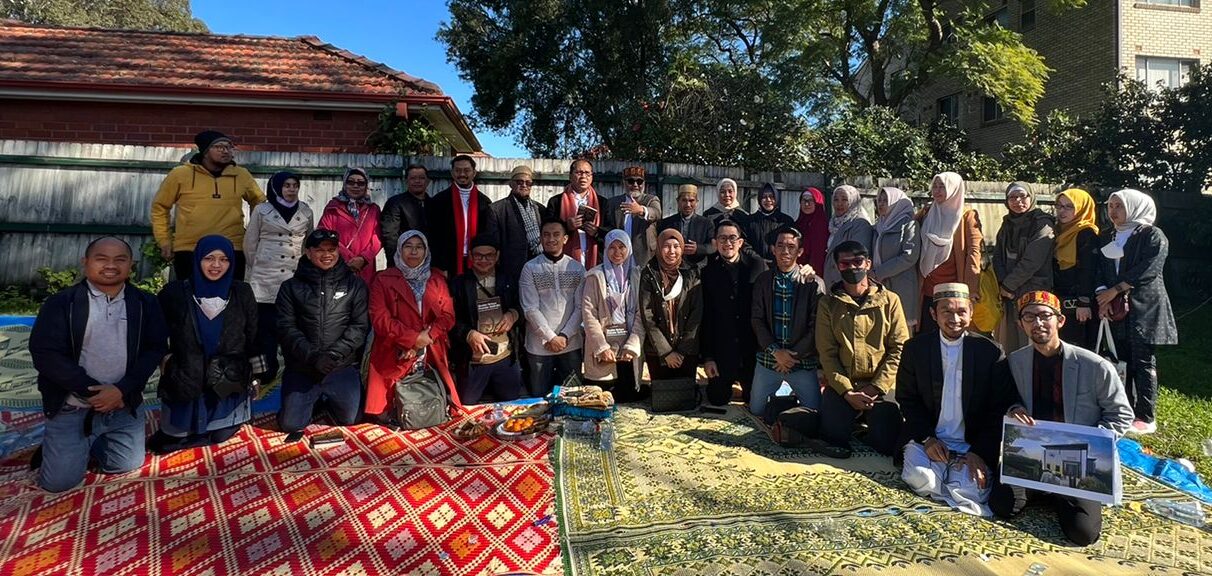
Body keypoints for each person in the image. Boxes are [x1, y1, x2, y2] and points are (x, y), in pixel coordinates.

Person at [989, 291, 1134, 546]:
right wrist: (1014, 408)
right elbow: (1006, 398)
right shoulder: (1015, 361)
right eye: (1029, 317)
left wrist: (1091, 440)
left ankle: (1057, 493)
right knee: (1002, 505)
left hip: (1078, 459)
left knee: (1083, 534)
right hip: (1033, 454)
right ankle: (1047, 490)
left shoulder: (1095, 366)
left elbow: (1121, 415)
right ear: (1020, 323)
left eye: (1045, 316)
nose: (1038, 323)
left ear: (1060, 321)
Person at [29, 237, 168, 492]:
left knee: (125, 464)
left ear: (131, 266)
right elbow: (46, 354)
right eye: (101, 259)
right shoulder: (62, 303)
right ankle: (63, 443)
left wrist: (121, 390)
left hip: (122, 403)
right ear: (86, 263)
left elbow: (155, 348)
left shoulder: (145, 303)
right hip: (74, 406)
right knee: (59, 483)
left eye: (120, 259)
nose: (110, 265)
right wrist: (92, 392)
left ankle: (87, 443)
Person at [897, 283, 1005, 517]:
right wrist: (927, 439)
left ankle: (950, 478)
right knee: (921, 478)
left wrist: (980, 452)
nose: (955, 318)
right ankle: (943, 477)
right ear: (933, 314)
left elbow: (997, 410)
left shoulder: (990, 352)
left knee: (974, 491)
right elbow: (907, 398)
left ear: (971, 312)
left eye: (961, 311)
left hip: (971, 444)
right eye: (946, 311)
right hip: (927, 439)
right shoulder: (916, 349)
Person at [151, 235, 258, 454]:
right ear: (197, 259)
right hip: (185, 377)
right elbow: (153, 333)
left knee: (220, 435)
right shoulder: (175, 293)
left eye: (224, 259)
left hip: (227, 380)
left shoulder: (242, 292)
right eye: (209, 258)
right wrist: (165, 360)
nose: (216, 265)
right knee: (173, 438)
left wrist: (255, 376)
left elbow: (254, 336)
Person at [816, 240, 909, 458]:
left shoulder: (890, 301)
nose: (852, 268)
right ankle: (852, 420)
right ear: (837, 267)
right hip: (845, 384)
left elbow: (899, 348)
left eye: (857, 262)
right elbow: (827, 354)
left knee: (886, 444)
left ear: (867, 264)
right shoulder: (828, 304)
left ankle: (865, 423)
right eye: (845, 264)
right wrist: (847, 391)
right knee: (834, 438)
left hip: (880, 387)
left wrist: (875, 388)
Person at [1095, 189, 1177, 435]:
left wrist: (1115, 290)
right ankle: (1125, 407)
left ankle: (1146, 415)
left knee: (1142, 360)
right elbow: (1101, 268)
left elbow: (1149, 269)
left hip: (1144, 305)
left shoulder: (1152, 235)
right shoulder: (1108, 235)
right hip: (1116, 307)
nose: (1113, 212)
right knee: (1121, 358)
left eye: (1119, 206)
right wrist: (1103, 296)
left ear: (1134, 207)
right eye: (1111, 206)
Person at [275, 229, 369, 436]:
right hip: (303, 367)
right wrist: (313, 357)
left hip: (340, 366)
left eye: (332, 249)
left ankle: (328, 399)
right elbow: (286, 328)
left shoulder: (355, 285)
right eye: (320, 250)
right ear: (308, 252)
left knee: (352, 418)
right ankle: (310, 399)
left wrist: (334, 355)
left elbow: (359, 326)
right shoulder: (290, 287)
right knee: (290, 424)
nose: (327, 254)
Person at [366, 231, 460, 421]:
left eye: (419, 247)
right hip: (394, 347)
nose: (414, 252)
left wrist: (427, 337)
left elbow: (448, 316)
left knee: (436, 403)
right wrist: (412, 340)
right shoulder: (383, 279)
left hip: (431, 347)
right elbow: (380, 319)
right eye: (408, 246)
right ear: (399, 250)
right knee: (387, 413)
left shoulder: (436, 278)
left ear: (426, 251)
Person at [151, 130, 265, 280]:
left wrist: (253, 235)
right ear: (205, 151)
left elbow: (260, 203)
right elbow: (160, 207)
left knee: (231, 298)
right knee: (190, 298)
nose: (226, 151)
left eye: (229, 147)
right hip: (190, 248)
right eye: (219, 147)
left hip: (232, 248)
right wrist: (164, 240)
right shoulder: (180, 174)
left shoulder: (241, 174)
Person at [244, 170, 314, 385]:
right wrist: (259, 264)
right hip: (265, 276)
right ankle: (263, 370)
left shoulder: (305, 211)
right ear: (277, 187)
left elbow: (308, 243)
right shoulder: (262, 210)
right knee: (263, 329)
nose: (291, 189)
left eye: (295, 185)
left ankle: (295, 368)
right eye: (287, 185)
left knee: (293, 325)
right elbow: (250, 243)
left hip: (293, 275)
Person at [750, 227, 825, 417]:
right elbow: (757, 320)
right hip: (769, 360)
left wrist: (792, 357)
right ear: (773, 249)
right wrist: (776, 352)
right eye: (780, 246)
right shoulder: (763, 280)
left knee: (814, 413)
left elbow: (816, 326)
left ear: (799, 251)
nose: (785, 251)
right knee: (756, 410)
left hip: (801, 361)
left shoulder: (813, 283)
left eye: (791, 247)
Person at [450, 235, 524, 405]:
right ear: (470, 256)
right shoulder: (459, 284)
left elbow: (523, 308)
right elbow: (450, 319)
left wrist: (513, 315)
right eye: (478, 255)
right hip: (474, 359)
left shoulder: (508, 280)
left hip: (505, 356)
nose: (483, 260)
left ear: (497, 256)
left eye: (489, 255)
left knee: (511, 406)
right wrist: (468, 334)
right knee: (467, 406)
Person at [701, 220, 768, 406]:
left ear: (740, 242)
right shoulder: (707, 272)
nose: (727, 243)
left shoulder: (756, 265)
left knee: (755, 402)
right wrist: (708, 357)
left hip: (751, 348)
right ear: (715, 242)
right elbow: (706, 317)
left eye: (732, 238)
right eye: (722, 238)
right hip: (723, 348)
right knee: (717, 398)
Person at [520, 218, 587, 396]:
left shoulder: (577, 268)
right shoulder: (530, 268)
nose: (551, 239)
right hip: (539, 346)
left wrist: (564, 336)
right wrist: (551, 337)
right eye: (546, 235)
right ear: (541, 238)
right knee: (539, 398)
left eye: (556, 234)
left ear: (565, 239)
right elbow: (530, 309)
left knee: (572, 397)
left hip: (570, 343)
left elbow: (581, 307)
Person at [582, 230, 645, 402]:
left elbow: (642, 313)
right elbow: (589, 314)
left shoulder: (637, 275)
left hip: (627, 345)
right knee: (602, 399)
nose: (617, 252)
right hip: (604, 343)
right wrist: (601, 347)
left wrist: (633, 345)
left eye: (622, 247)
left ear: (629, 248)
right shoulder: (595, 276)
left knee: (628, 398)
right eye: (612, 247)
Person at [994, 182, 1056, 352]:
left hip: (1034, 292)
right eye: (1012, 197)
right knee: (1011, 343)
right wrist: (1002, 283)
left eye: (1023, 196)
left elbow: (1032, 261)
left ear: (1031, 197)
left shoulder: (1042, 224)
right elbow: (997, 257)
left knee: (1033, 340)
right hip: (1009, 295)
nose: (1018, 201)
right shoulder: (1007, 224)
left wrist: (1008, 285)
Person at [918, 172, 982, 332]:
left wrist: (971, 288)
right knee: (928, 336)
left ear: (954, 189)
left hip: (954, 288)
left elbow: (974, 252)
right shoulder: (926, 213)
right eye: (935, 186)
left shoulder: (967, 215)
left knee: (953, 333)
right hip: (928, 288)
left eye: (943, 187)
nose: (938, 191)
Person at [639, 229, 703, 382]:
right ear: (659, 248)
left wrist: (681, 351)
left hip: (687, 350)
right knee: (663, 396)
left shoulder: (692, 273)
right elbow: (647, 314)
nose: (671, 251)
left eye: (676, 246)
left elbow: (696, 312)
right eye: (666, 246)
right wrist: (666, 352)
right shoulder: (649, 273)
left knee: (685, 396)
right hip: (658, 350)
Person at [1052, 188, 1100, 350]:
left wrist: (1084, 302)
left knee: (1079, 350)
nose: (1062, 211)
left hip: (1079, 304)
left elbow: (1089, 270)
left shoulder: (1086, 233)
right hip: (1060, 300)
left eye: (1069, 206)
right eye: (1059, 206)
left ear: (1081, 208)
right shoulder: (1058, 231)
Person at [429, 155, 493, 276]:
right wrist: (439, 265)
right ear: (452, 173)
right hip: (447, 263)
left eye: (466, 170)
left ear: (474, 173)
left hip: (477, 262)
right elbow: (434, 236)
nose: (462, 174)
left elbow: (487, 234)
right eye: (458, 170)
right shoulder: (439, 201)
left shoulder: (484, 202)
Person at [318, 167, 382, 285]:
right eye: (351, 182)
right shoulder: (333, 207)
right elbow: (324, 233)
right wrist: (347, 257)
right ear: (344, 184)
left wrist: (363, 259)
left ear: (366, 186)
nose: (355, 186)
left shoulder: (373, 209)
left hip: (364, 267)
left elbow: (378, 237)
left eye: (361, 183)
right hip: (338, 265)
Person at [871, 187, 921, 332]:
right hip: (878, 286)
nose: (881, 204)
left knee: (901, 332)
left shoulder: (909, 224)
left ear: (896, 203)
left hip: (901, 287)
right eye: (879, 200)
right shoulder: (878, 226)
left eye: (886, 200)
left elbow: (909, 256)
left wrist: (880, 272)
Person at [489, 165, 547, 287]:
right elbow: (493, 245)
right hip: (511, 273)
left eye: (528, 183)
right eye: (519, 182)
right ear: (511, 184)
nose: (524, 185)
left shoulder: (540, 209)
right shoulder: (496, 210)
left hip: (539, 268)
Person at [546, 159, 604, 269]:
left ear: (592, 177)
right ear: (570, 176)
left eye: (587, 173)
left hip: (595, 261)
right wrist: (566, 226)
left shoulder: (602, 203)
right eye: (579, 173)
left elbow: (611, 232)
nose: (583, 177)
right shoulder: (556, 202)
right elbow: (547, 230)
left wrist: (596, 232)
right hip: (563, 262)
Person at [602, 165, 662, 267]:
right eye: (630, 181)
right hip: (618, 256)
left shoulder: (651, 200)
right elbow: (608, 228)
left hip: (644, 256)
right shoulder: (613, 203)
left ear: (644, 183)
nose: (635, 185)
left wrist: (641, 210)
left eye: (639, 181)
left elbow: (656, 213)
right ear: (624, 183)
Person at [823, 185, 875, 289]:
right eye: (836, 199)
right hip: (833, 281)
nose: (839, 204)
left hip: (848, 282)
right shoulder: (833, 223)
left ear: (853, 201)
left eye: (844, 199)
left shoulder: (860, 224)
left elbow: (857, 255)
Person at [380, 164, 431, 261]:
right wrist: (396, 262)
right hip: (404, 261)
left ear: (428, 181)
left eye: (421, 178)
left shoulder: (435, 204)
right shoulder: (395, 203)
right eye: (413, 178)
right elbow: (390, 237)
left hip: (429, 262)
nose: (417, 181)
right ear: (406, 180)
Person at [656, 184, 716, 268]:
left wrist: (698, 248)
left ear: (696, 202)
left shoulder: (706, 223)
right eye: (684, 200)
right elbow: (659, 245)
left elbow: (713, 246)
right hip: (672, 269)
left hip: (697, 270)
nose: (688, 204)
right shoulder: (667, 223)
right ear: (678, 201)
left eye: (691, 201)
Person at [747, 183, 794, 264]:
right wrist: (758, 259)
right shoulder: (750, 221)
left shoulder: (786, 221)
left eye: (772, 197)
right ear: (759, 199)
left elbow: (792, 245)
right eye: (764, 197)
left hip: (780, 266)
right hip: (756, 266)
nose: (768, 200)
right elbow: (745, 244)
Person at [794, 187, 828, 274]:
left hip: (814, 273)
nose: (806, 204)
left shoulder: (823, 226)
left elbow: (819, 255)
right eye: (804, 200)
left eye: (811, 200)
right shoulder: (797, 224)